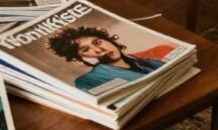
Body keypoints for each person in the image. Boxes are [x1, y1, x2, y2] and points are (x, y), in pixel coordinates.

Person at [46, 25, 175, 92]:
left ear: (109, 41)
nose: (98, 50)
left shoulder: (147, 62)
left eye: (97, 42)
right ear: (79, 60)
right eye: (86, 50)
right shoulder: (87, 81)